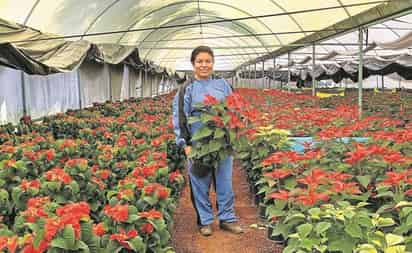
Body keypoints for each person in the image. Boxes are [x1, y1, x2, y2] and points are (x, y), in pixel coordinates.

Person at [172, 46, 243, 236]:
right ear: (193, 64)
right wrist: (185, 144)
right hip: (198, 145)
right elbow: (180, 117)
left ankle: (227, 219)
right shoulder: (186, 89)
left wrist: (233, 134)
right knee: (200, 182)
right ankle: (205, 221)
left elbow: (234, 110)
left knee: (225, 182)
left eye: (208, 61)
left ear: (213, 63)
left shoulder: (223, 85)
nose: (204, 65)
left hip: (222, 143)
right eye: (200, 61)